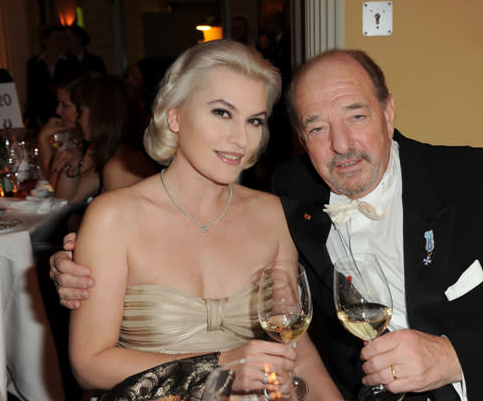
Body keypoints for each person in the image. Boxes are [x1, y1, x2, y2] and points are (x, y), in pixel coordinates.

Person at [50, 49, 483, 400]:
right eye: (316, 126)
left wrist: (451, 357)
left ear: (388, 113)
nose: (340, 144)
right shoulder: (293, 196)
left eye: (356, 116)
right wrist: (76, 257)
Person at [61, 40, 341, 399]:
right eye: (222, 113)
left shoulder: (271, 214)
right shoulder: (113, 217)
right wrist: (220, 368)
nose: (241, 138)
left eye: (254, 120)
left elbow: (294, 347)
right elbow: (89, 365)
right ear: (174, 116)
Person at [52, 75, 158, 203]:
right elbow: (67, 199)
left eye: (81, 111)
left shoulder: (119, 166)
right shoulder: (114, 152)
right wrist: (72, 164)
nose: (78, 119)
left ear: (99, 114)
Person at [26, 25, 80, 129]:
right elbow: (32, 92)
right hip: (42, 115)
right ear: (45, 40)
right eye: (57, 39)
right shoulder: (34, 63)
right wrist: (32, 119)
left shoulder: (71, 61)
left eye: (64, 39)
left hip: (64, 113)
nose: (62, 42)